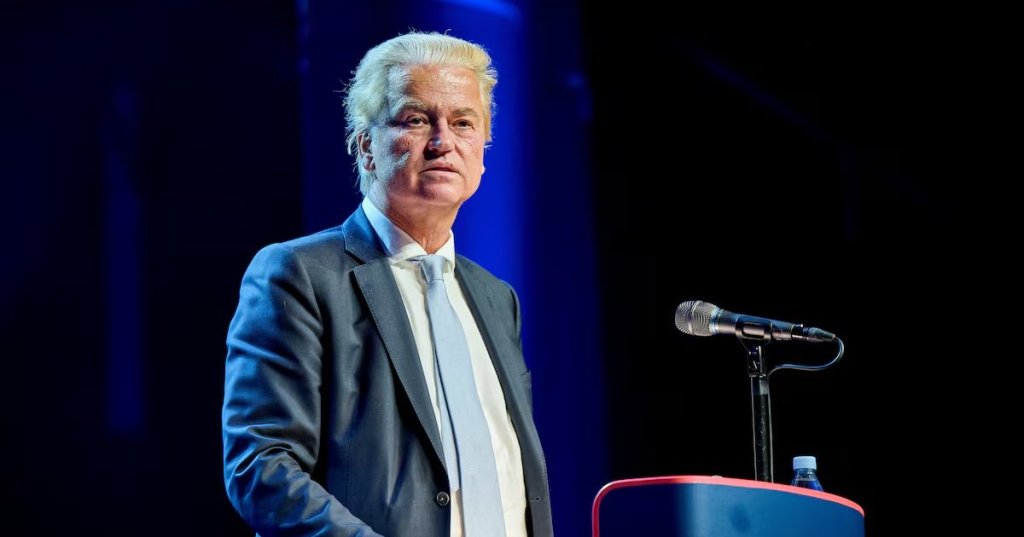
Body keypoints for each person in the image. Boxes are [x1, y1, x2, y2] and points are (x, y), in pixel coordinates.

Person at [221, 31, 553, 537]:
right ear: (366, 147)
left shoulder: (496, 298)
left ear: (483, 151)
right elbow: (262, 465)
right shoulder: (298, 275)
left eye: (463, 123)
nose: (443, 142)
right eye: (416, 120)